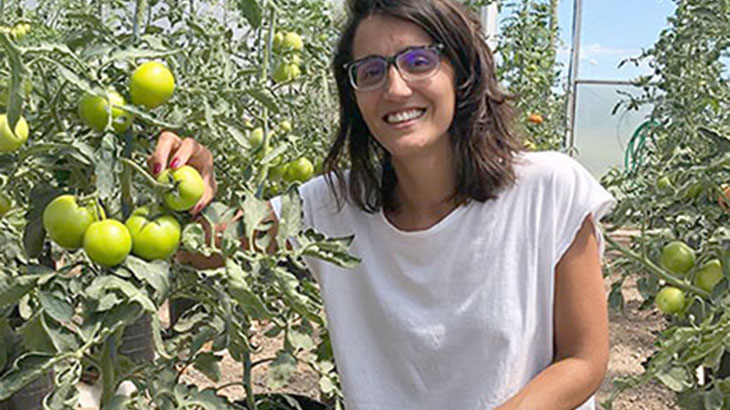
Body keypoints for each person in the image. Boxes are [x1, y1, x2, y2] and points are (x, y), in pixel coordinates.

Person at [149, 0, 615, 408]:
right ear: (354, 97)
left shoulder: (548, 190)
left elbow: (584, 358)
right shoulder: (330, 206)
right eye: (371, 71)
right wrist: (185, 183)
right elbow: (197, 248)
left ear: (462, 73)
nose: (395, 88)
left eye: (418, 61)